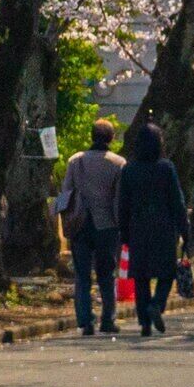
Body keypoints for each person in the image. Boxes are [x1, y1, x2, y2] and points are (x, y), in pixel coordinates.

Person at [53, 119, 127, 334]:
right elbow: (118, 199)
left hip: (80, 224)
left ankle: (85, 321)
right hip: (107, 226)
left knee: (82, 275)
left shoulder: (75, 161)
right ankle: (108, 319)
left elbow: (66, 191)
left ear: (92, 136)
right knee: (106, 274)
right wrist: (119, 224)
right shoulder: (118, 163)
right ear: (111, 138)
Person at [118, 122, 191, 336]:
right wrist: (185, 230)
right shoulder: (166, 168)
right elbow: (177, 201)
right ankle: (156, 305)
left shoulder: (129, 169)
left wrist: (124, 231)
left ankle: (144, 322)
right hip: (164, 228)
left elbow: (123, 204)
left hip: (137, 228)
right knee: (167, 273)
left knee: (141, 276)